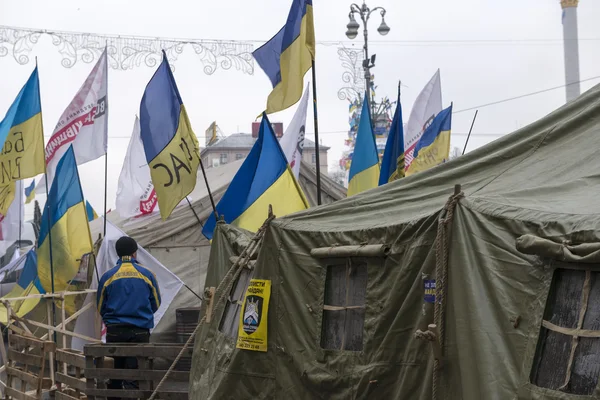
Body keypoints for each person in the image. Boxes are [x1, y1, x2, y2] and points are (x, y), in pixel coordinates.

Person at [96, 236, 161, 398]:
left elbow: (100, 306)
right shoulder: (147, 274)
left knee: (117, 371)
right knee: (136, 373)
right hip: (140, 331)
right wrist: (141, 315)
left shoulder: (107, 276)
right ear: (134, 253)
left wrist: (113, 319)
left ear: (118, 253)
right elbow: (156, 303)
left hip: (115, 331)